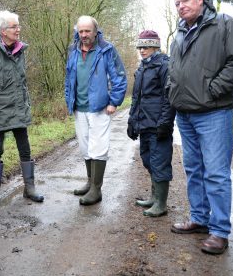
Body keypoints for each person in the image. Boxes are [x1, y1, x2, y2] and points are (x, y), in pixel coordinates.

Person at [168, 0, 233, 255]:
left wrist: (212, 90)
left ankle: (219, 231)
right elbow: (174, 69)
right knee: (193, 169)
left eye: (185, 1)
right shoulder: (179, 32)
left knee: (215, 172)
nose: (181, 6)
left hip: (214, 112)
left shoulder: (224, 24)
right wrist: (173, 91)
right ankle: (200, 219)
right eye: (177, 3)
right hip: (185, 114)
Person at [0, 10, 44, 206]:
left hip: (18, 108)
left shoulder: (20, 50)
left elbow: (22, 82)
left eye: (18, 26)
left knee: (25, 148)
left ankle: (29, 187)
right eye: (14, 27)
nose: (18, 30)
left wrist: (26, 104)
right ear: (3, 31)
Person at [64, 15, 127, 206]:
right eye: (80, 31)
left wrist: (114, 102)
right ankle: (90, 182)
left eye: (87, 31)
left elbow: (119, 76)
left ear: (95, 31)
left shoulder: (106, 50)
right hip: (79, 107)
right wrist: (69, 100)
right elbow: (68, 78)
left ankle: (96, 190)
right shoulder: (73, 50)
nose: (83, 35)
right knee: (84, 146)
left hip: (100, 107)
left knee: (98, 147)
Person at [127, 30, 175, 217]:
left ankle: (161, 203)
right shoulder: (141, 69)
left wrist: (165, 122)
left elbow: (169, 96)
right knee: (147, 159)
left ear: (155, 46)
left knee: (159, 162)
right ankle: (154, 197)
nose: (142, 50)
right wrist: (132, 120)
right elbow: (136, 98)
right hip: (143, 124)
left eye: (146, 46)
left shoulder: (164, 65)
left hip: (158, 124)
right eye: (140, 46)